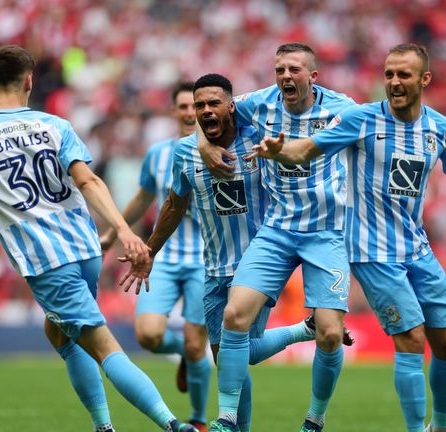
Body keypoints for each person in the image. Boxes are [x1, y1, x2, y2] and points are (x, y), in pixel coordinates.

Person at [250, 43, 446, 432]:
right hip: (372, 252)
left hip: (417, 249)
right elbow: (307, 150)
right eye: (389, 75)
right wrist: (279, 149)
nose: (395, 82)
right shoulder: (360, 119)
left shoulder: (439, 127)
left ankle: (442, 425)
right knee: (412, 339)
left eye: (403, 75)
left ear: (424, 79)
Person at [0, 45, 198, 432]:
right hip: (83, 250)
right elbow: (88, 180)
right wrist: (122, 229)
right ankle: (103, 427)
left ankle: (172, 425)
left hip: (46, 261)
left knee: (102, 347)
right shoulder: (57, 126)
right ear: (30, 81)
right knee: (61, 333)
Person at [120, 73, 322, 432]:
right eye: (200, 105)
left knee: (235, 348)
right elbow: (173, 204)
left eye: (214, 103)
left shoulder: (261, 142)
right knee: (227, 357)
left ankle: (232, 423)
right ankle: (303, 330)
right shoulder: (185, 151)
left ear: (232, 105)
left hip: (259, 264)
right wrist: (149, 251)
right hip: (213, 268)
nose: (205, 110)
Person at [197, 43, 355, 432]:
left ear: (313, 77)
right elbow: (210, 113)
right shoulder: (258, 103)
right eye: (280, 69)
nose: (286, 76)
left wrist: (278, 150)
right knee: (234, 316)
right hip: (278, 230)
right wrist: (204, 148)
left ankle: (314, 420)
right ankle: (226, 420)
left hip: (326, 233)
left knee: (332, 335)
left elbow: (315, 150)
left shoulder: (343, 109)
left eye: (295, 70)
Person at [99, 81, 211, 431]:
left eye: (195, 106)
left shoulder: (222, 150)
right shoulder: (159, 154)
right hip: (162, 256)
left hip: (206, 261)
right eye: (183, 107)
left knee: (198, 347)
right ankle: (184, 355)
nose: (190, 113)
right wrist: (113, 231)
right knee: (147, 334)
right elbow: (143, 199)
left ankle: (198, 418)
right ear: (174, 112)